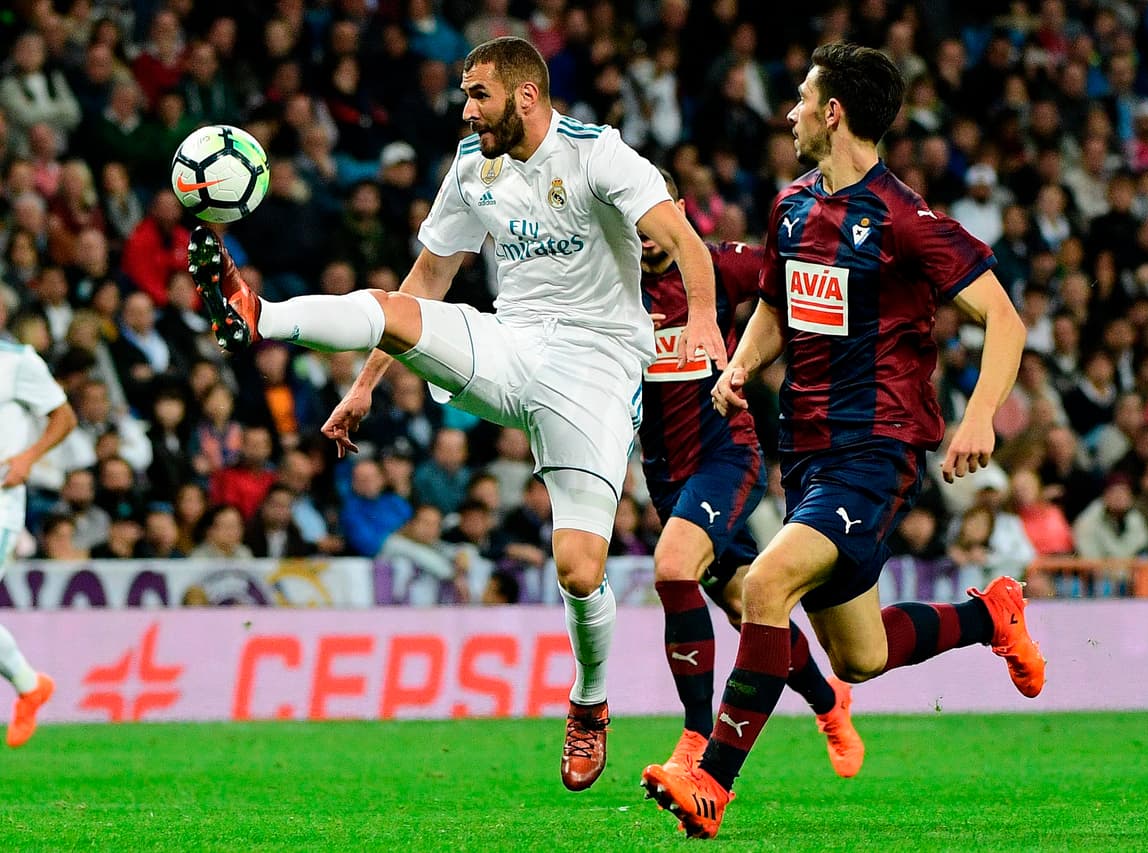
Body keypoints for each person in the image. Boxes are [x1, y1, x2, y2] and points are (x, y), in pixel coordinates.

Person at [188, 36, 724, 791]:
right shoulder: (473, 166)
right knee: (386, 307)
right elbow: (429, 276)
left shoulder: (600, 154)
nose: (466, 110)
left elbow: (682, 239)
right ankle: (257, 314)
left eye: (479, 95)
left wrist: (702, 316)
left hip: (597, 368)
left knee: (578, 568)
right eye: (465, 96)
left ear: (527, 95)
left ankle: (590, 700)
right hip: (509, 343)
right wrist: (369, 381)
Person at [641, 44, 1044, 839]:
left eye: (800, 98)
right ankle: (991, 615)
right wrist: (741, 365)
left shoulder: (902, 217)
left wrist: (980, 412)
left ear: (834, 113)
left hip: (877, 448)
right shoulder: (792, 206)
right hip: (811, 453)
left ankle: (711, 780)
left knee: (763, 584)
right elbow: (778, 305)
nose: (787, 112)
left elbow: (1005, 317)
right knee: (859, 655)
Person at [639, 169, 863, 778]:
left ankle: (693, 736)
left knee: (671, 567)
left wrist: (788, 360)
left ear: (680, 211)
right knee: (745, 606)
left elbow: (794, 282)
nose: (647, 233)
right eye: (635, 219)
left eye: (657, 216)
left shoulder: (717, 268)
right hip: (666, 476)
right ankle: (828, 703)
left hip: (726, 457)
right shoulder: (610, 286)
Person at [0, 339, 77, 747]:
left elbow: (64, 418)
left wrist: (28, 457)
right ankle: (31, 686)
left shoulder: (17, 361)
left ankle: (30, 685)